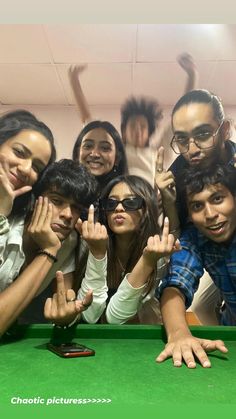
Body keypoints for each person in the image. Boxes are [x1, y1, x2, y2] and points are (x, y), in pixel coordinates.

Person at [159, 88, 236, 324]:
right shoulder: (179, 173)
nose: (192, 150)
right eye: (182, 139)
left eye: (203, 134)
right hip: (213, 254)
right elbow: (184, 245)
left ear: (225, 131)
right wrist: (169, 204)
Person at [0, 159, 100, 335]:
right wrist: (49, 250)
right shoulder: (6, 229)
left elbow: (65, 297)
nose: (68, 215)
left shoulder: (68, 241)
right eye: (56, 201)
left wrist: (67, 316)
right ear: (35, 199)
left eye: (76, 208)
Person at [69, 53, 198, 187]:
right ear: (124, 132)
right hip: (120, 203)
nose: (137, 130)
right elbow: (89, 123)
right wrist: (74, 80)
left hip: (149, 204)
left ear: (149, 132)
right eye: (132, 126)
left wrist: (192, 75)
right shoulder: (117, 152)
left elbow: (180, 117)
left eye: (142, 126)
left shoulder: (158, 152)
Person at [156, 164, 236, 368]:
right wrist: (178, 334)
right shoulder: (194, 238)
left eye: (217, 199)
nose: (210, 214)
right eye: (197, 206)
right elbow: (175, 284)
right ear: (190, 215)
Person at [96, 174, 181, 324]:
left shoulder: (156, 254)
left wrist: (148, 260)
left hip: (144, 332)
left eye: (130, 202)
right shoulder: (96, 245)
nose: (119, 208)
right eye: (111, 203)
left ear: (146, 208)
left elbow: (115, 318)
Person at [72, 120, 128, 192]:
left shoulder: (127, 194)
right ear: (77, 153)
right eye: (88, 146)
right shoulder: (64, 191)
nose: (95, 154)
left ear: (117, 158)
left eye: (105, 148)